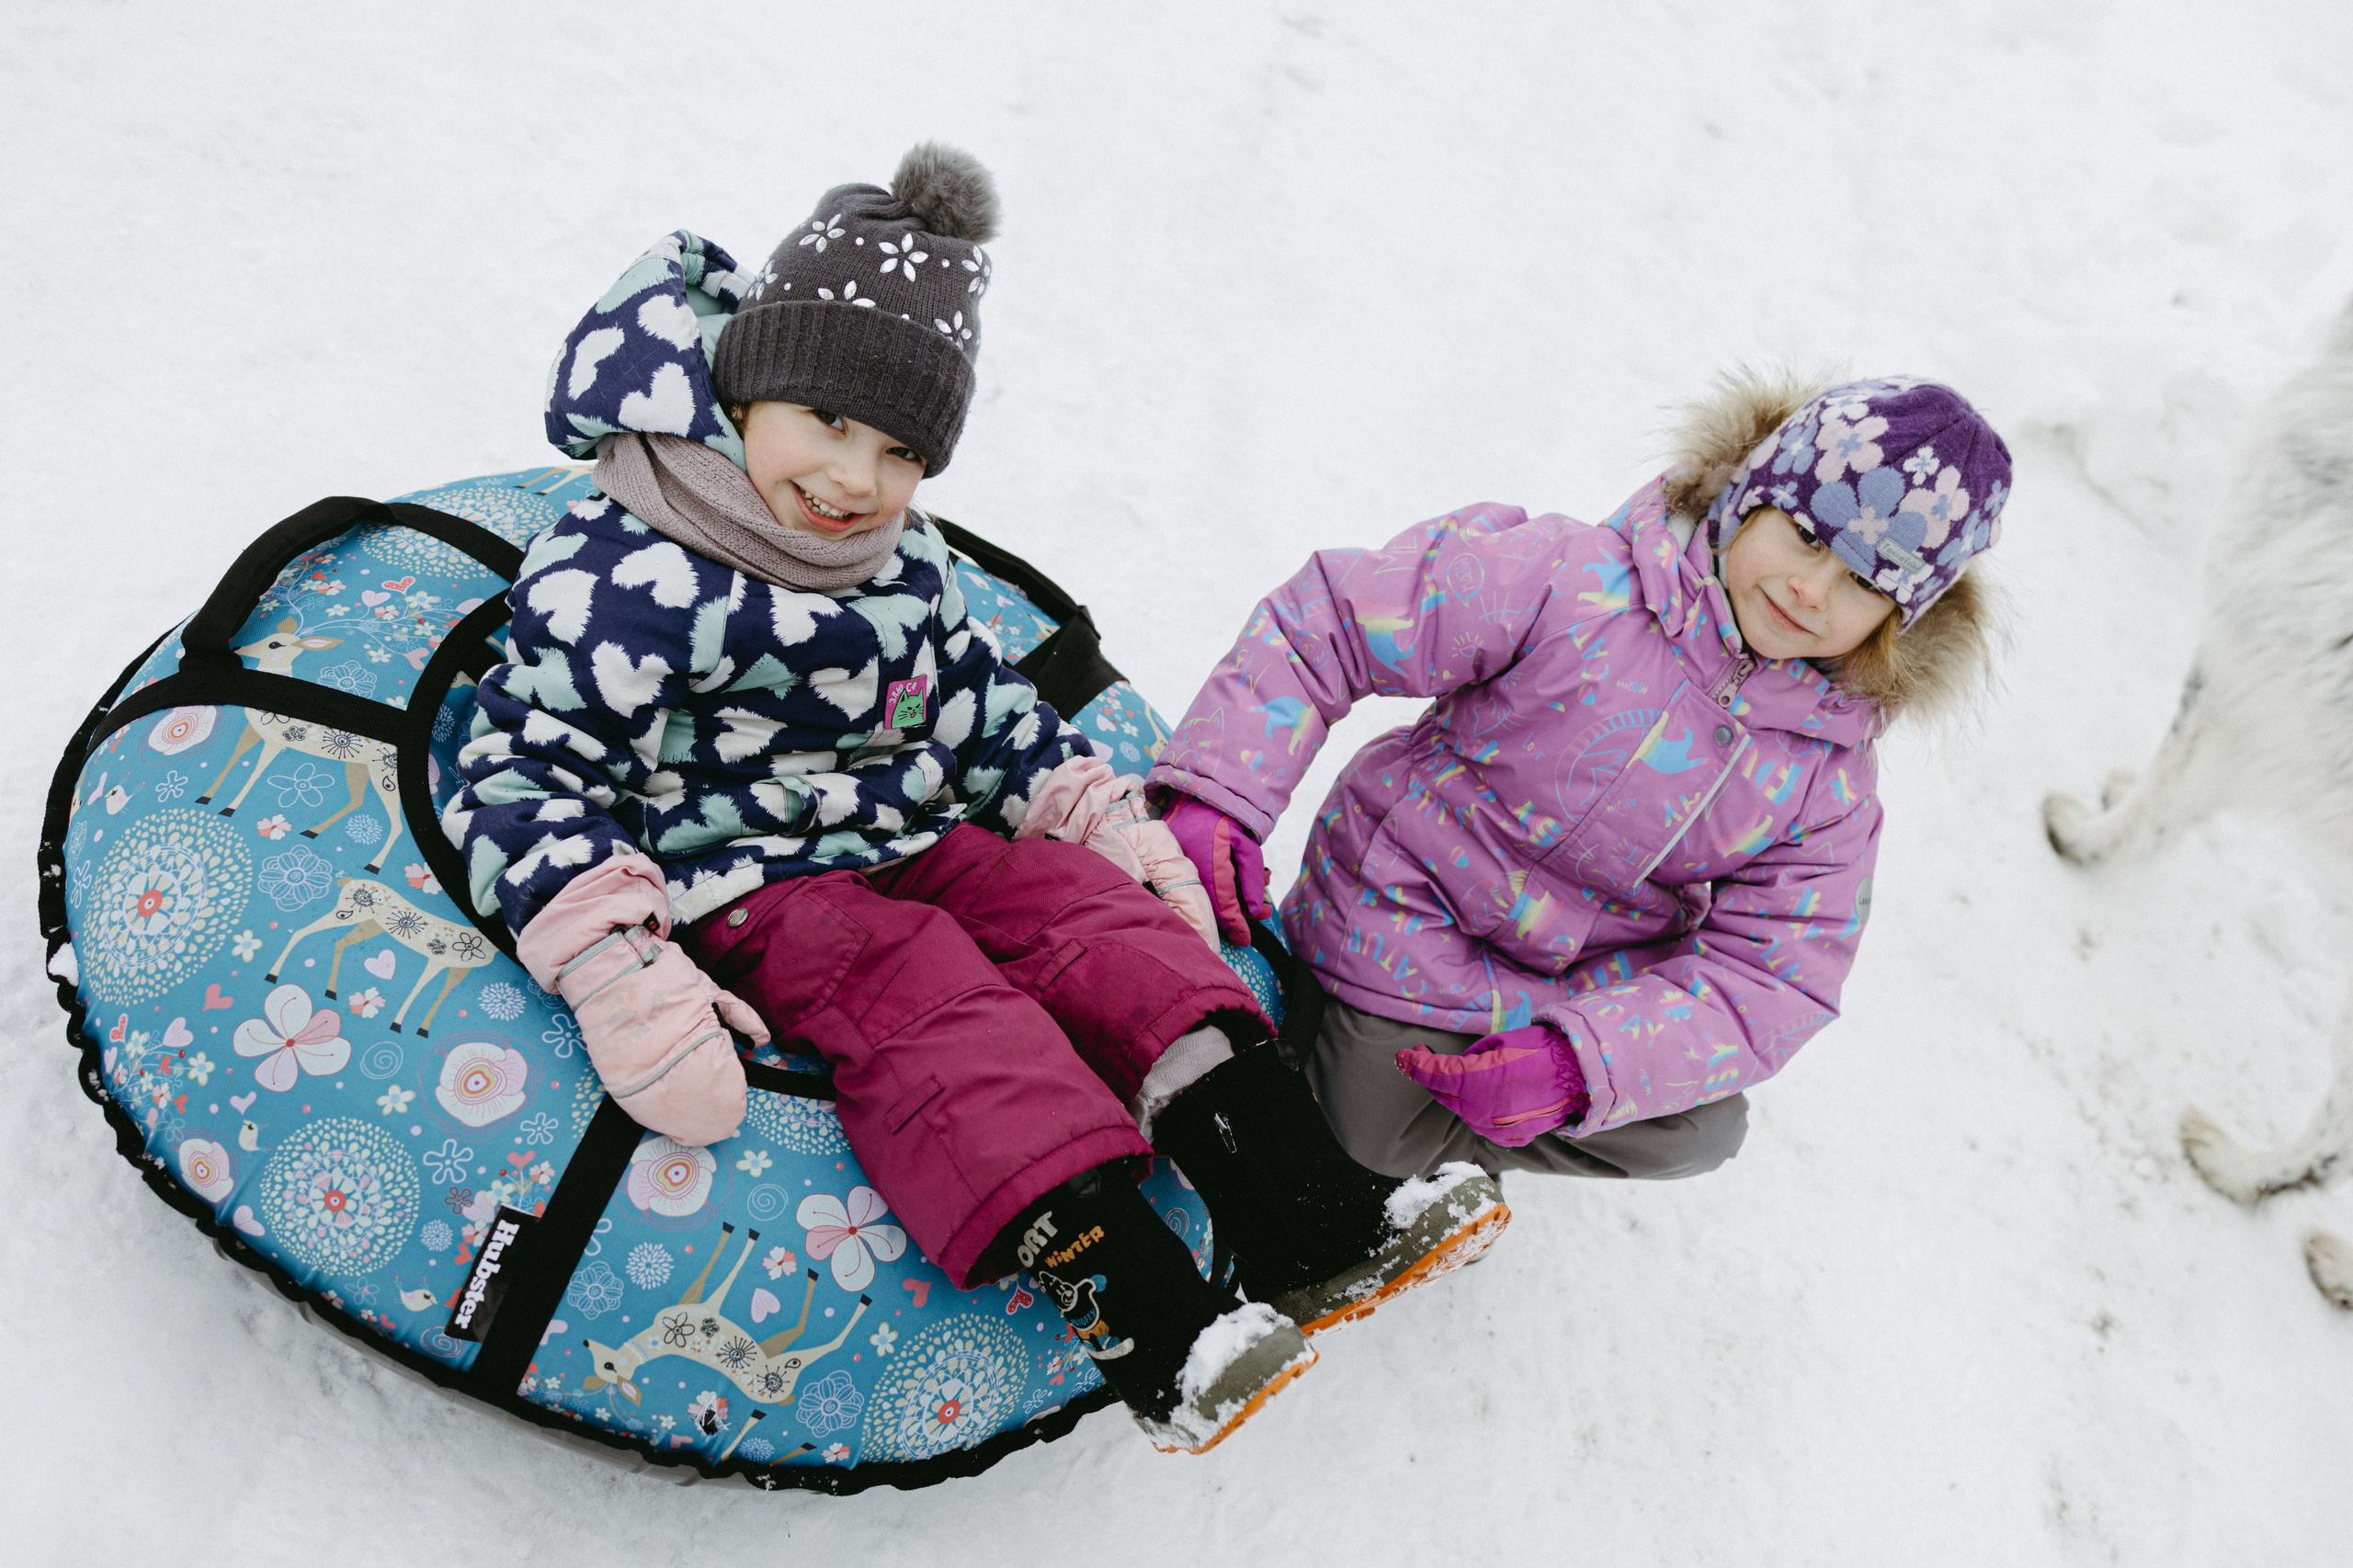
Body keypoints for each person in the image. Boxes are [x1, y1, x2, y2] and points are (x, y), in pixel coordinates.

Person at [441, 144, 1504, 1455]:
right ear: (748, 385)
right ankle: (1147, 1323)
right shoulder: (630, 562)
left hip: (914, 831)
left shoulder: (893, 554)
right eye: (827, 422)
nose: (856, 479)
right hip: (758, 885)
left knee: (1092, 928)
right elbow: (527, 765)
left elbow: (969, 694)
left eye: (899, 449)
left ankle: (1308, 1215)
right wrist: (618, 963)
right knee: (932, 998)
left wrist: (1083, 811)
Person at [1151, 376, 2008, 1179]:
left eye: (1862, 582)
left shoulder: (1828, 781)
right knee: (1369, 1135)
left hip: (1580, 984)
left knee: (1704, 1129)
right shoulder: (1573, 582)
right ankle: (1380, 1108)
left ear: (1896, 622)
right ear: (1749, 498)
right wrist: (1219, 792)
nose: (1810, 590)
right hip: (1410, 914)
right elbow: (1333, 622)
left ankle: (1478, 1106)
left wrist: (1584, 1061)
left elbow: (1777, 976)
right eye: (1808, 536)